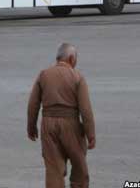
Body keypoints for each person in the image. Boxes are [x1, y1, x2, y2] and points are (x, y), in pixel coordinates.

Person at [27, 43, 95, 188]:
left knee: (53, 169)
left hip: (48, 124)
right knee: (79, 166)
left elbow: (33, 103)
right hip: (71, 124)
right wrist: (90, 134)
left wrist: (31, 126)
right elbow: (86, 110)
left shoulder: (43, 74)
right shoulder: (77, 77)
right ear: (71, 59)